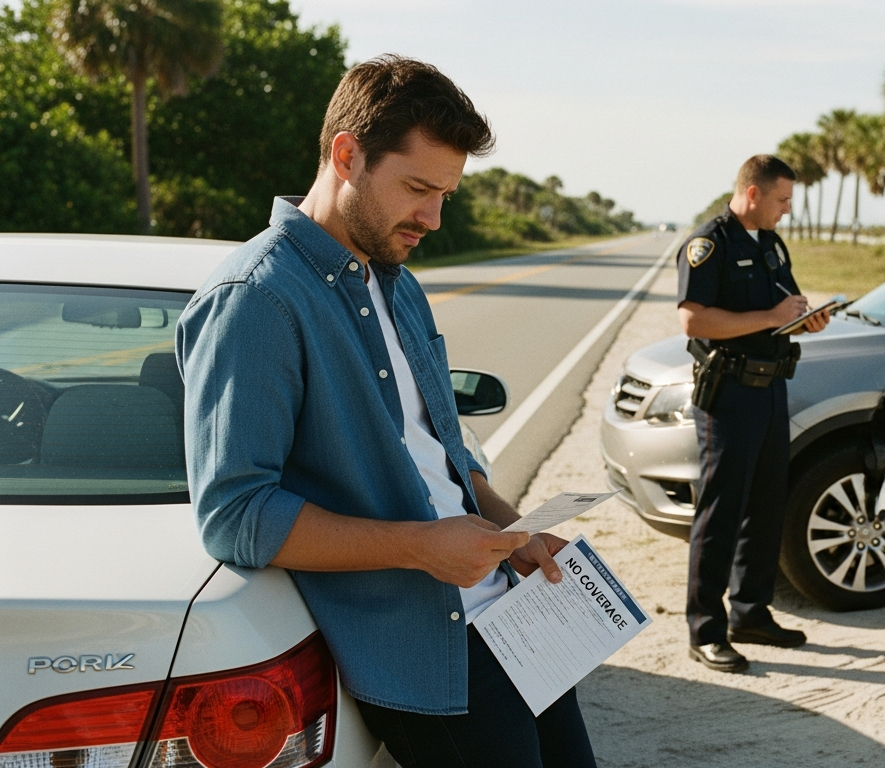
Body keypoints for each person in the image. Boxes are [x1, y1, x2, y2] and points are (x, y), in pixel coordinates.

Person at [178, 56, 595, 766]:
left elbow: (442, 450)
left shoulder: (397, 281)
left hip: (514, 618)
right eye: (418, 189)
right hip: (428, 656)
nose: (432, 218)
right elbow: (235, 516)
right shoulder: (255, 299)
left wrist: (512, 528)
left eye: (446, 196)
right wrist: (421, 547)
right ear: (347, 155)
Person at [677, 155, 829, 673]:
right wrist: (769, 317)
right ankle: (705, 629)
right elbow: (693, 319)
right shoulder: (709, 243)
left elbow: (781, 307)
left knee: (765, 503)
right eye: (782, 200)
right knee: (721, 511)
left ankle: (750, 612)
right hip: (730, 394)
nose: (788, 210)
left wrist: (803, 319)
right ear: (753, 193)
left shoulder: (769, 242)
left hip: (770, 389)